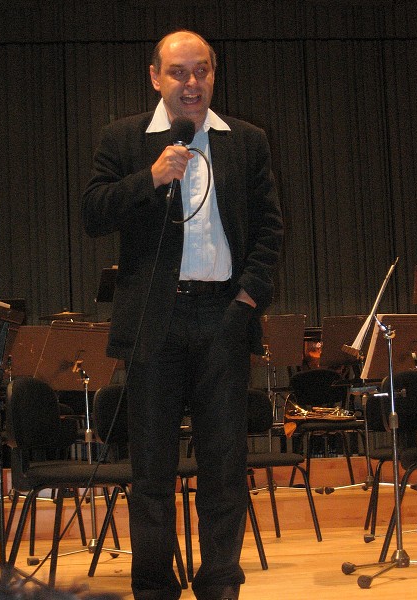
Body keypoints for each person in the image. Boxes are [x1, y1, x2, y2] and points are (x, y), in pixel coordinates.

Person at [82, 30, 283, 600]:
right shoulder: (124, 138)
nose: (191, 83)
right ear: (155, 77)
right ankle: (153, 587)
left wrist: (247, 298)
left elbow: (269, 228)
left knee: (225, 465)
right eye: (178, 72)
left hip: (224, 316)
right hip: (156, 321)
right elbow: (93, 213)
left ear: (214, 75)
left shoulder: (246, 141)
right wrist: (150, 178)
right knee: (151, 470)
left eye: (201, 71)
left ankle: (219, 583)